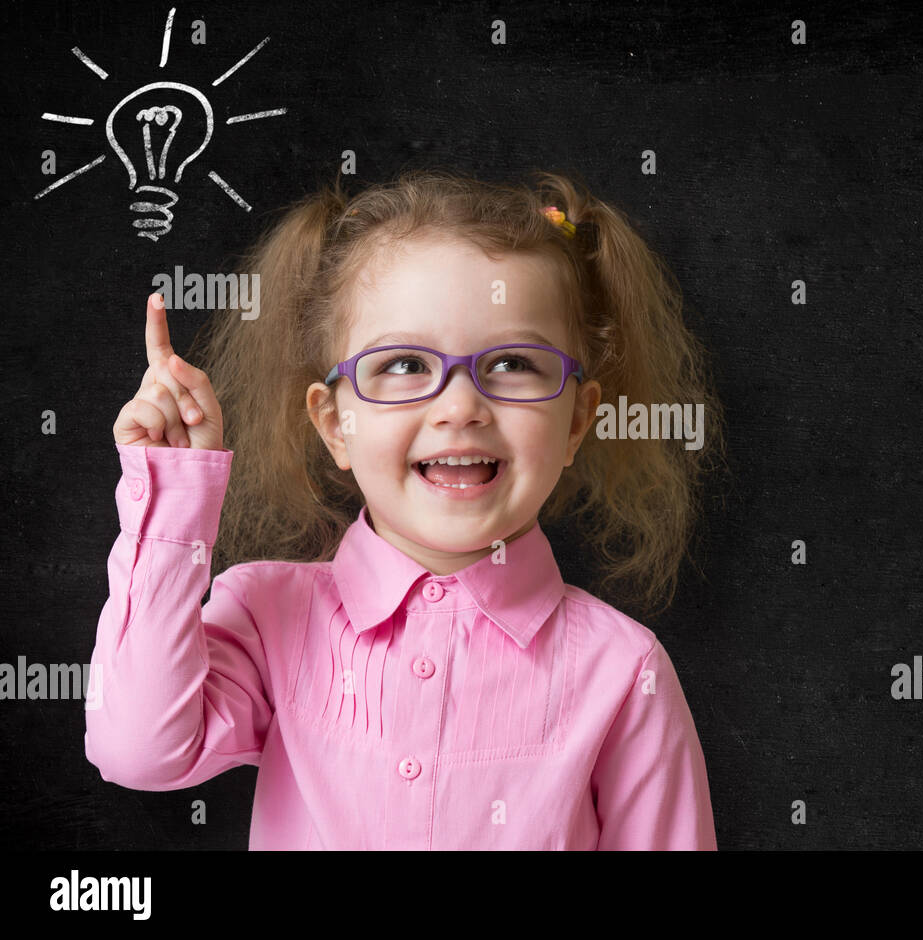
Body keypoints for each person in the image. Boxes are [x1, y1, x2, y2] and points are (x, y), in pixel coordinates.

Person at [86, 167, 725, 849]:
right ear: (335, 424)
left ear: (575, 422)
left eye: (512, 364)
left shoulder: (623, 672)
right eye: (403, 366)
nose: (459, 408)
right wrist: (174, 492)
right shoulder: (267, 613)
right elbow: (139, 750)